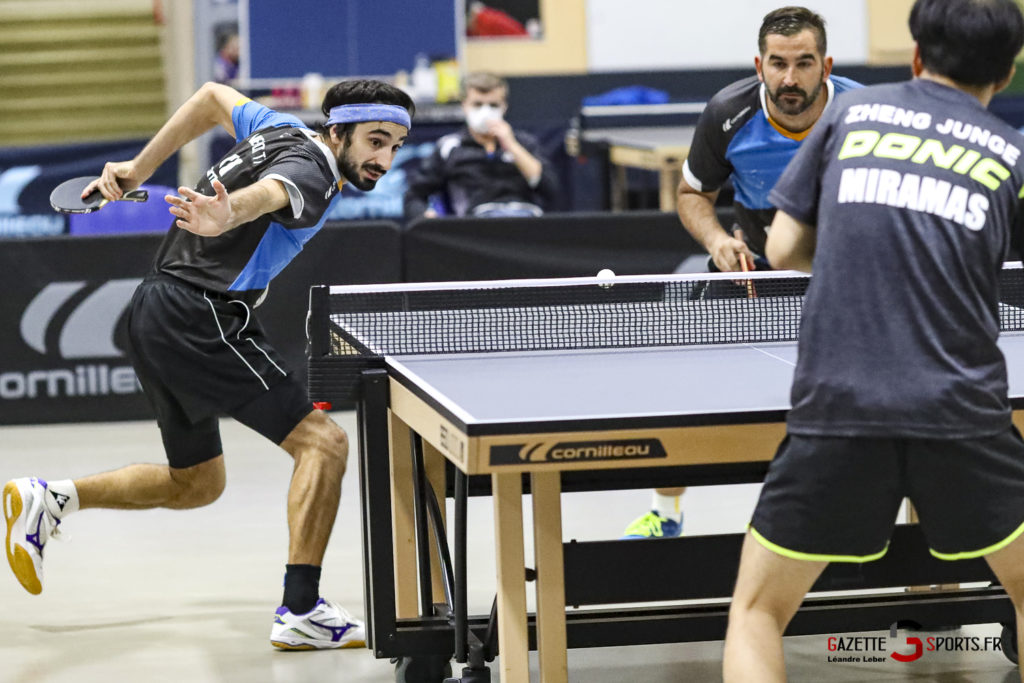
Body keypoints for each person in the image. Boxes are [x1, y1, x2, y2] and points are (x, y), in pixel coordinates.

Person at [2, 78, 415, 651]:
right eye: (375, 141)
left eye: (396, 145)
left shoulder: (278, 129)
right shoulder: (316, 173)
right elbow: (273, 193)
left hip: (154, 307)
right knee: (324, 444)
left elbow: (212, 96)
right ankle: (302, 609)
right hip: (203, 314)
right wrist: (232, 213)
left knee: (196, 482)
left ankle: (51, 498)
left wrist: (140, 167)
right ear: (337, 131)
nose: (384, 159)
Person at [723, 1, 1024, 680]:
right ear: (1005, 75)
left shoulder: (848, 115)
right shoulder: (1010, 153)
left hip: (839, 407)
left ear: (916, 58)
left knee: (758, 611)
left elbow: (782, 247)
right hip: (962, 411)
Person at [622, 6, 860, 540]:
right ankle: (666, 513)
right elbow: (692, 194)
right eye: (778, 63)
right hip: (753, 269)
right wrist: (715, 239)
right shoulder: (727, 114)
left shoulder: (861, 111)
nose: (790, 78)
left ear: (827, 64)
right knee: (681, 374)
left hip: (844, 273)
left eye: (804, 62)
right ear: (760, 64)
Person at [403, 71, 559, 220]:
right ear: (465, 105)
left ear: (504, 107)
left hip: (525, 224)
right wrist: (425, 216)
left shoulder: (525, 143)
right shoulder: (449, 147)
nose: (485, 111)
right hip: (472, 231)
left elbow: (549, 189)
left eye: (493, 105)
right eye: (477, 105)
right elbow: (414, 196)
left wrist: (511, 145)